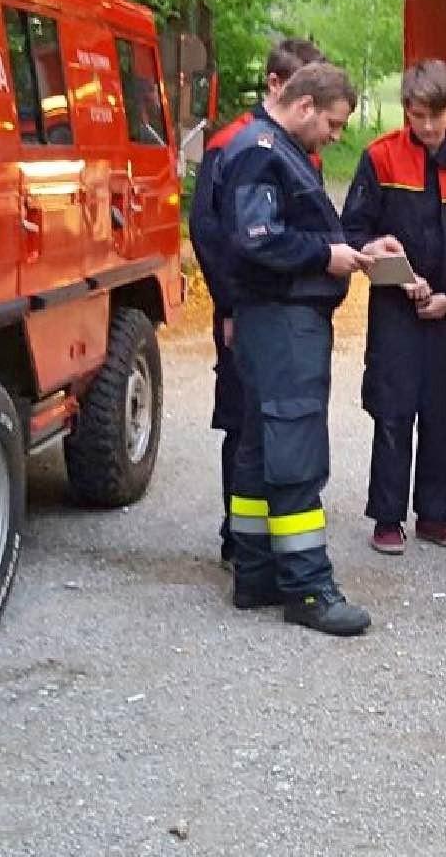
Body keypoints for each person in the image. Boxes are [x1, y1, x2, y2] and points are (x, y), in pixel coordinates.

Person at [214, 62, 376, 636]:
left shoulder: (264, 146)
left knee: (259, 452)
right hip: (283, 323)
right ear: (305, 106)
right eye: (332, 125)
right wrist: (325, 256)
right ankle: (308, 589)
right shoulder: (263, 151)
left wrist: (349, 248)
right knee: (295, 452)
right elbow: (259, 240)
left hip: (267, 321)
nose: (335, 137)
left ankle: (256, 573)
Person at [340, 60, 446, 556]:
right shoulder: (380, 157)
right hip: (394, 308)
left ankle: (435, 514)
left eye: (434, 116)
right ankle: (387, 518)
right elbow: (352, 230)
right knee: (392, 409)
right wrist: (378, 250)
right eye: (416, 116)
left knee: (443, 413)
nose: (426, 127)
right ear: (406, 111)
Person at [190, 38, 324, 565]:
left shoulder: (294, 146)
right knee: (246, 423)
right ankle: (239, 539)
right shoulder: (235, 143)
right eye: (302, 88)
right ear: (276, 85)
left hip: (279, 312)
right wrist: (228, 308)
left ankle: (262, 539)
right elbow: (211, 234)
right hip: (246, 311)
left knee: (276, 425)